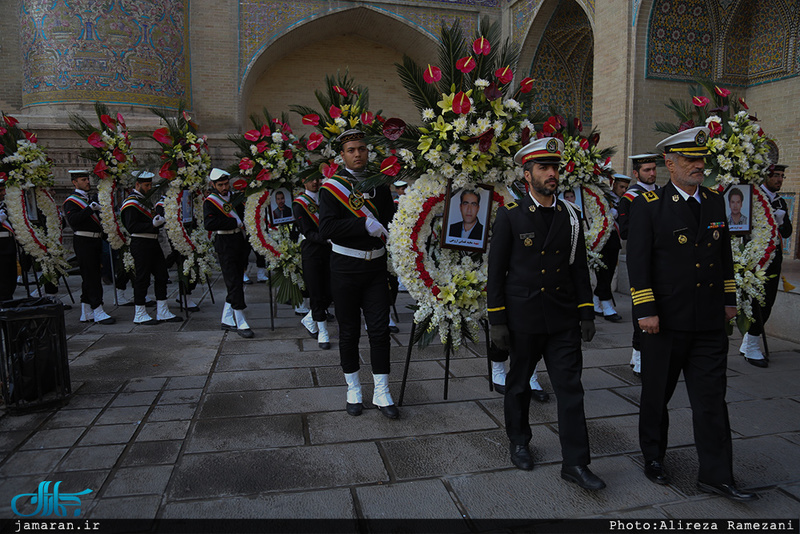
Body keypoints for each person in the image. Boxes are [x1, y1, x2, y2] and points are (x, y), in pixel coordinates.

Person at [627, 126, 757, 502]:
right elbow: (639, 262)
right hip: (664, 322)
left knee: (712, 399)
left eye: (701, 159)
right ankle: (653, 457)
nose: (699, 166)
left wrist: (729, 299)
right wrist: (646, 310)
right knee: (656, 395)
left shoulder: (715, 201)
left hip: (708, 322)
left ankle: (717, 475)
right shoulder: (649, 206)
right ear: (669, 163)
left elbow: (724, 257)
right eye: (690, 160)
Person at [488, 137, 603, 490]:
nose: (552, 174)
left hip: (563, 316)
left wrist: (586, 311)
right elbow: (496, 272)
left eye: (555, 167)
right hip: (523, 316)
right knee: (519, 384)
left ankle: (576, 463)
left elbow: (579, 268)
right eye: (544, 168)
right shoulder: (510, 215)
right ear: (528, 175)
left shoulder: (570, 215)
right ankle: (520, 441)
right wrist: (497, 321)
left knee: (571, 389)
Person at [319, 129, 399, 419]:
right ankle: (353, 388)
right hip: (345, 269)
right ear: (342, 155)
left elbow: (392, 221)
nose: (357, 154)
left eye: (362, 149)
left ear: (368, 152)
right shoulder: (330, 188)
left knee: (379, 331)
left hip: (375, 268)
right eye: (351, 150)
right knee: (349, 332)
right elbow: (326, 229)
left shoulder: (380, 185)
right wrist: (361, 226)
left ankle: (382, 391)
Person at [740, 164, 793, 367]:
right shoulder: (755, 198)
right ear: (765, 177)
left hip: (774, 259)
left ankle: (749, 343)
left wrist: (780, 222)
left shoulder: (779, 201)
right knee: (755, 303)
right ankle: (752, 344)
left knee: (767, 301)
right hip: (757, 259)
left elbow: (787, 232)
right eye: (776, 176)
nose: (779, 180)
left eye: (782, 176)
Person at [120, 171, 183, 325]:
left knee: (161, 275)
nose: (149, 188)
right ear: (137, 185)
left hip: (153, 242)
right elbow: (131, 226)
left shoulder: (145, 201)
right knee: (142, 278)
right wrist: (152, 224)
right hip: (140, 243)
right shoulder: (131, 203)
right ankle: (140, 313)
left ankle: (162, 311)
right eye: (146, 185)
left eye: (150, 185)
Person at [618, 153, 660, 377]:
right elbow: (624, 231)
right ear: (636, 174)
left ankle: (653, 353)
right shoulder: (630, 198)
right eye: (647, 170)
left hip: (662, 258)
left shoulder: (663, 193)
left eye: (653, 169)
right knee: (642, 306)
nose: (652, 173)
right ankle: (638, 353)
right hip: (641, 256)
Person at [203, 169, 253, 338]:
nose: (224, 187)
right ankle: (240, 320)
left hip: (239, 241)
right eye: (220, 185)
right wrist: (233, 221)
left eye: (226, 184)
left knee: (237, 279)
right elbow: (209, 223)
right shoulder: (210, 202)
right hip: (224, 244)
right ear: (213, 185)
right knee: (233, 281)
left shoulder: (235, 198)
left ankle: (226, 318)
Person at [63, 170, 115, 325]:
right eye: (83, 179)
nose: (87, 182)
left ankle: (86, 311)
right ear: (75, 182)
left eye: (87, 179)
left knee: (90, 276)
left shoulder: (89, 199)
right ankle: (98, 309)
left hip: (95, 241)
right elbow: (73, 220)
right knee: (91, 277)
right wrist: (89, 210)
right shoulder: (71, 201)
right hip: (83, 241)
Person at [293, 174, 333, 349]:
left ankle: (310, 318)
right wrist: (328, 239)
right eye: (311, 178)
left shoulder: (327, 197)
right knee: (316, 292)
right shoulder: (299, 204)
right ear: (304, 181)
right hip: (312, 251)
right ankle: (322, 330)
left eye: (318, 178)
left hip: (331, 251)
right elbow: (308, 232)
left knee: (332, 290)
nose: (315, 182)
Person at [592, 173, 629, 323]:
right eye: (621, 187)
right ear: (613, 184)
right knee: (604, 273)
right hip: (603, 240)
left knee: (608, 271)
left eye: (626, 188)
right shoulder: (605, 198)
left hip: (615, 240)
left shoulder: (624, 201)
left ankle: (595, 301)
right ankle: (606, 305)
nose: (623, 190)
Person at [0, 178, 18, 302]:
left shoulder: (6, 206)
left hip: (9, 248)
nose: (3, 193)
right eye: (1, 190)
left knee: (11, 280)